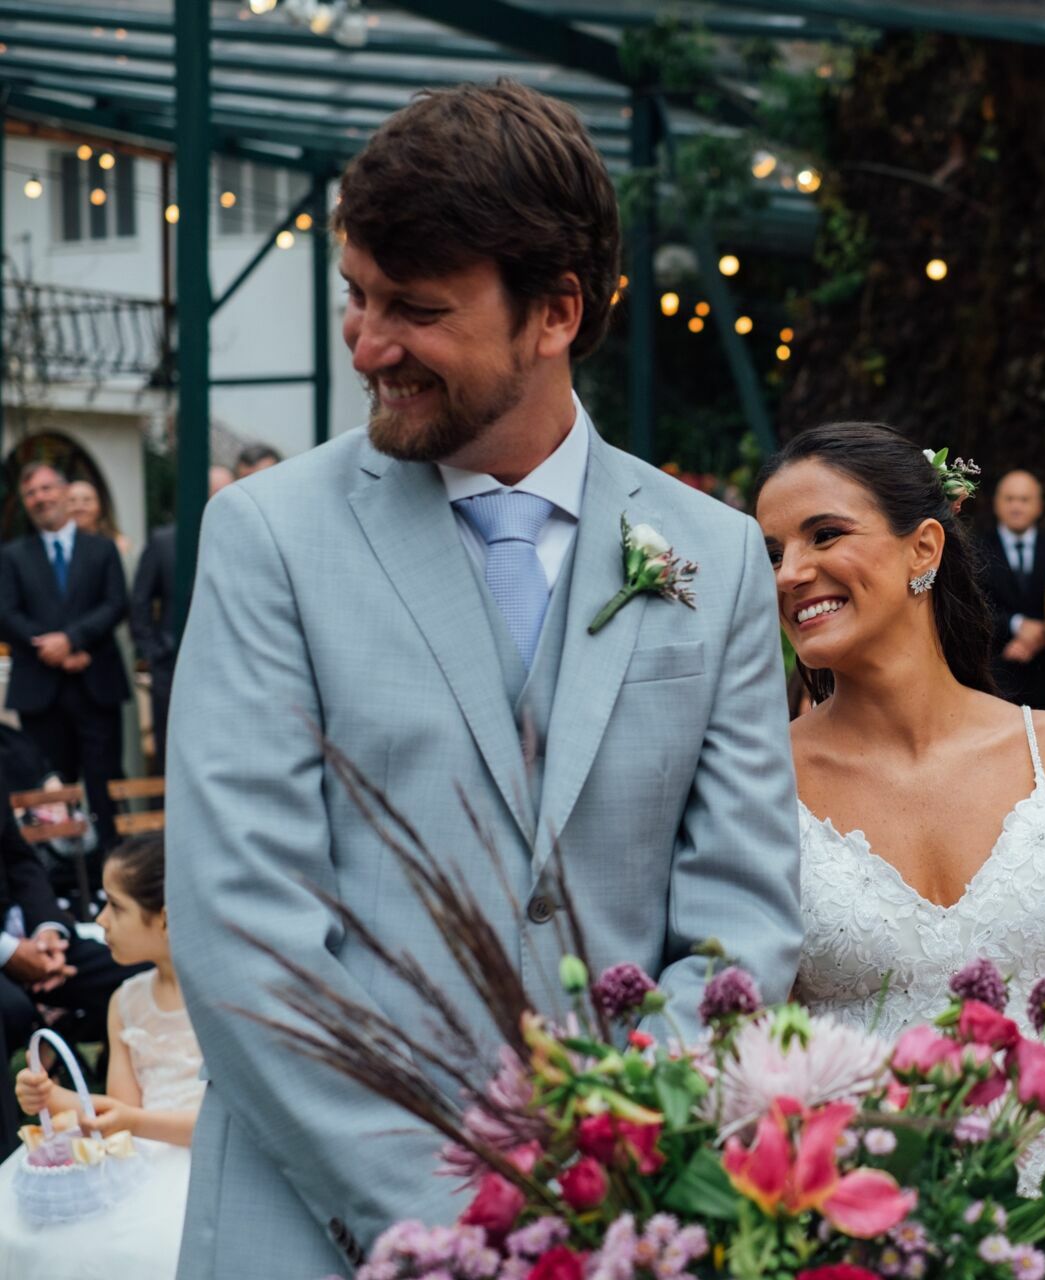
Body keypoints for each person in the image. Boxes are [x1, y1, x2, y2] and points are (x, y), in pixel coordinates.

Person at [167, 83, 801, 1278]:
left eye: (415, 309)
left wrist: (610, 1180)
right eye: (356, 296)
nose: (367, 345)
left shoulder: (709, 557)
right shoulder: (267, 537)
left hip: (618, 1230)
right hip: (317, 1225)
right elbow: (245, 938)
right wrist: (467, 1228)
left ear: (556, 310)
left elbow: (742, 923)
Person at [760, 424, 1045, 1125]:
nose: (790, 572)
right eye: (773, 553)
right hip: (850, 1204)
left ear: (924, 547)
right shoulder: (760, 778)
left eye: (823, 535)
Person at [0, 835, 200, 1278]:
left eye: (116, 906)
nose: (100, 919)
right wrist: (49, 1094)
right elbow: (115, 1111)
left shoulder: (216, 1004)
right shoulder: (126, 1000)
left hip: (199, 1164)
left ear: (165, 919)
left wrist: (132, 1122)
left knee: (142, 1248)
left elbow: (219, 1124)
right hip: (140, 1159)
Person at [0, 462, 131, 862]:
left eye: (45, 489)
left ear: (62, 491)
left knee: (104, 782)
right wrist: (48, 647)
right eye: (31, 494)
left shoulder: (101, 549)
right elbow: (6, 612)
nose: (40, 498)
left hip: (95, 683)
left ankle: (111, 874)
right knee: (49, 792)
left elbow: (115, 604)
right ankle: (57, 879)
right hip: (41, 690)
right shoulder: (13, 555)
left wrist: (73, 640)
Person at [0, 806, 144, 1158]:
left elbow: (20, 860)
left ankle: (130, 1116)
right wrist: (9, 953)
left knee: (133, 972)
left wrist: (47, 932)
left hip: (28, 933)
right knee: (10, 1010)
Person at [980, 469, 1045, 709]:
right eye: (1009, 499)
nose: (1016, 506)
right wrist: (1016, 625)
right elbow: (973, 607)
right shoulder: (975, 549)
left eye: (1024, 499)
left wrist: (1038, 635)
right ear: (996, 504)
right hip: (996, 668)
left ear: (1039, 506)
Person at [128, 525, 177, 770]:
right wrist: (155, 652)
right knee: (169, 755)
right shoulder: (164, 541)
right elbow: (140, 601)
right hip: (170, 667)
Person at [66, 480, 132, 561]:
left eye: (87, 500)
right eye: (72, 501)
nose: (79, 507)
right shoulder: (56, 545)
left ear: (100, 506)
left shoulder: (118, 545)